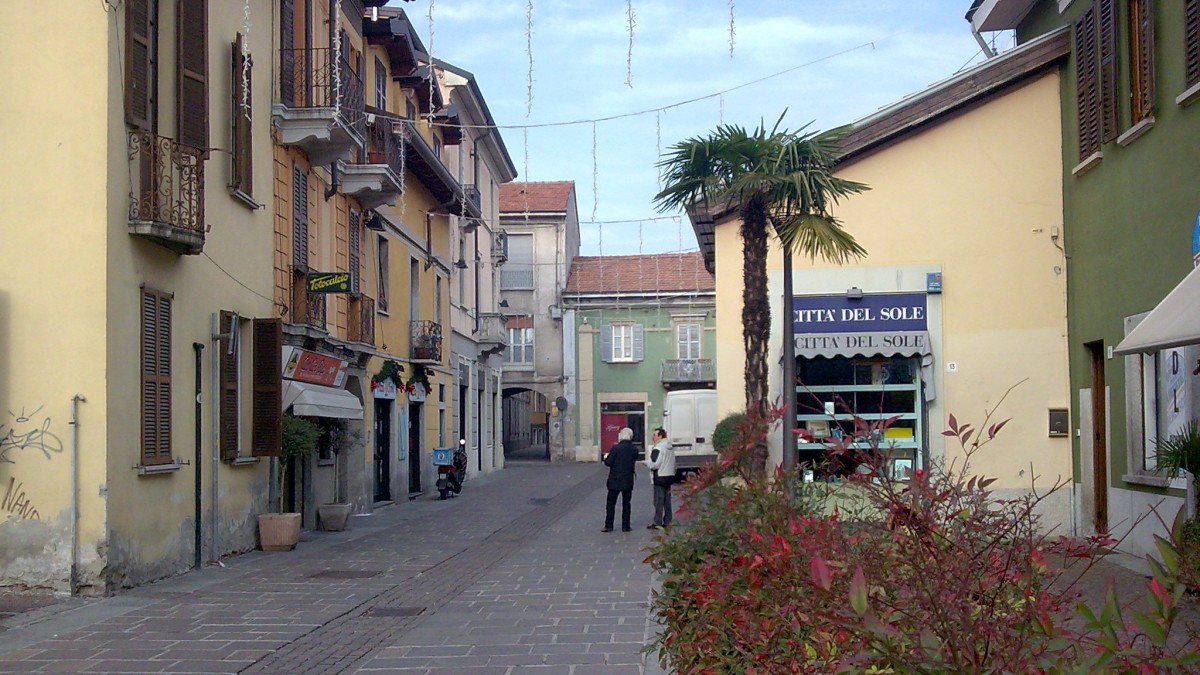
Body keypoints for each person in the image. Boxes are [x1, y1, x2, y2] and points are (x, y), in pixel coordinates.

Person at [602, 427, 638, 532]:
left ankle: (609, 525)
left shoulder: (616, 448)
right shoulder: (634, 449)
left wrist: (606, 457)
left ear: (620, 436)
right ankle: (626, 526)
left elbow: (608, 462)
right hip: (628, 479)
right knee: (626, 503)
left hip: (615, 479)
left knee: (611, 503)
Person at [644, 427, 676, 529]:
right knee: (667, 501)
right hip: (669, 476)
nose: (653, 437)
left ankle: (657, 521)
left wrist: (645, 463)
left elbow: (654, 464)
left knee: (658, 500)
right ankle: (668, 520)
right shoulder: (670, 447)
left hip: (660, 476)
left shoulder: (658, 448)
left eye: (654, 435)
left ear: (660, 436)